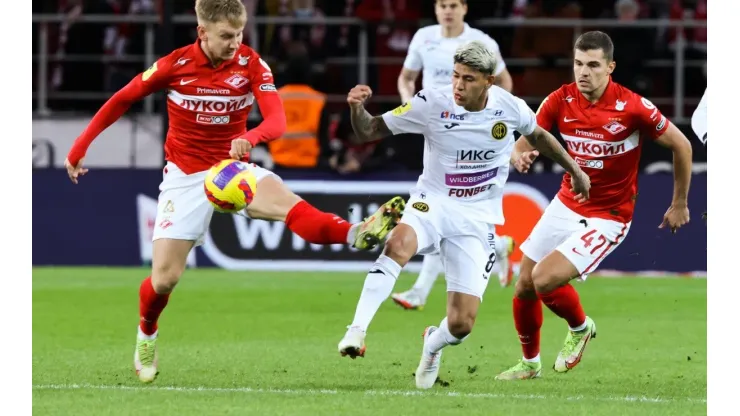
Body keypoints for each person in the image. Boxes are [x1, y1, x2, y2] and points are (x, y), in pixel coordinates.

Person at [63, 0, 404, 384]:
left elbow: (277, 119)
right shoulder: (174, 65)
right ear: (202, 32)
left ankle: (354, 233)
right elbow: (123, 98)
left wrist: (250, 136)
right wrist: (79, 147)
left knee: (288, 206)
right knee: (164, 280)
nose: (234, 43)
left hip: (232, 169)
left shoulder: (252, 64)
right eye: (226, 36)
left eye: (239, 34)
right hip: (186, 176)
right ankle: (147, 334)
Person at [336, 40, 591, 389]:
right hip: (433, 202)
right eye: (455, 76)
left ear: (488, 80)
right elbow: (368, 130)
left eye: (468, 79)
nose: (457, 84)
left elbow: (540, 137)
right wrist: (356, 108)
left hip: (476, 219)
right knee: (398, 241)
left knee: (461, 325)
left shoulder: (509, 108)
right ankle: (356, 330)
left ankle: (432, 342)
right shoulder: (430, 102)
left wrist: (575, 170)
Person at [495, 31, 693, 381]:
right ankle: (529, 363)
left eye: (592, 65)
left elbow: (682, 145)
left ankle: (580, 327)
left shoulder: (633, 107)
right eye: (578, 64)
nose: (583, 72)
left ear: (610, 67)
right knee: (524, 283)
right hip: (567, 203)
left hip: (609, 215)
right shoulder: (560, 99)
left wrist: (679, 202)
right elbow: (526, 139)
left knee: (543, 279)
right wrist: (518, 154)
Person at [392, 0, 517, 308]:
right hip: (436, 130)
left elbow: (504, 83)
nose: (447, 10)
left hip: (469, 133)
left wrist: (496, 123)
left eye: (453, 4)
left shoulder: (481, 43)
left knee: (445, 209)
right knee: (444, 210)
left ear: (464, 7)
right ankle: (498, 246)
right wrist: (412, 108)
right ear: (435, 9)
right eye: (441, 5)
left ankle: (420, 291)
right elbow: (406, 78)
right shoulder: (423, 37)